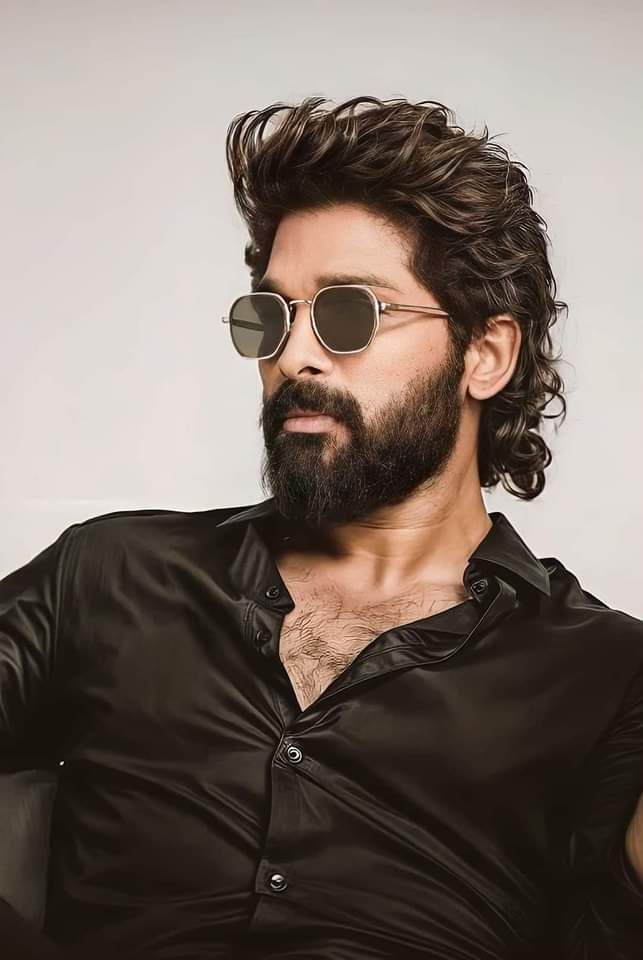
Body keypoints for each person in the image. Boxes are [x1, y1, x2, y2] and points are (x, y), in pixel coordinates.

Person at [1, 95, 642, 960]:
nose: (293, 355)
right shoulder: (116, 571)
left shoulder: (606, 673)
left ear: (486, 354)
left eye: (350, 313)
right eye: (269, 315)